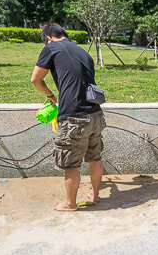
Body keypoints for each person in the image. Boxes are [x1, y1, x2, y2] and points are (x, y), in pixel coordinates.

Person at [31, 23, 106, 212]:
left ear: (48, 38)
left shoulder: (51, 48)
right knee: (94, 157)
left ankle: (70, 204)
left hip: (73, 117)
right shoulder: (83, 52)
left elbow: (35, 80)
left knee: (70, 163)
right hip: (95, 114)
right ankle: (95, 195)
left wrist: (50, 96)